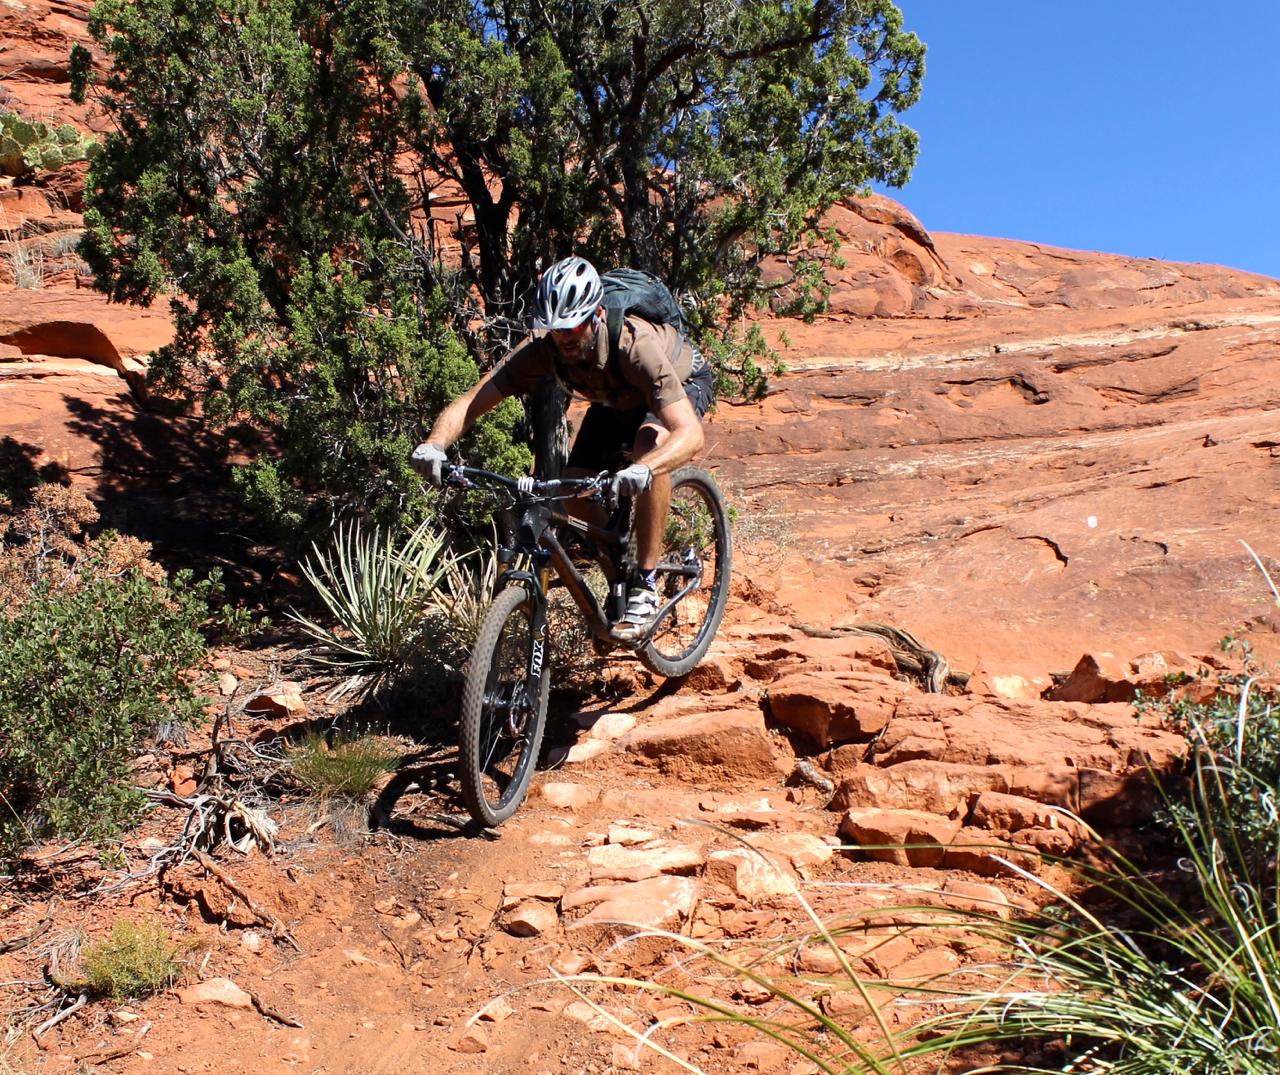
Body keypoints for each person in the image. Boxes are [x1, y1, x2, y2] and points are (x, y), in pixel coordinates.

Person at [410, 256, 714, 642]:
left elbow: (689, 433)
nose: (565, 338)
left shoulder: (636, 344)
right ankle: (618, 565)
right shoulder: (543, 349)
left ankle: (646, 584)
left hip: (679, 385)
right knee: (572, 486)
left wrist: (645, 469)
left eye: (574, 326)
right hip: (616, 400)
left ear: (597, 314)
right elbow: (472, 402)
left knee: (648, 444)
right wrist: (434, 445)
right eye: (556, 330)